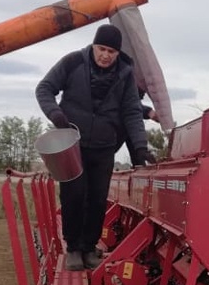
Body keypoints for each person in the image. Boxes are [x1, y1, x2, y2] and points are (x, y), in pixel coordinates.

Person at [36, 23, 156, 271]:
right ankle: (73, 249)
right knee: (74, 195)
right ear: (93, 46)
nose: (105, 56)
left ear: (117, 53)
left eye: (111, 52)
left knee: (98, 198)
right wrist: (56, 114)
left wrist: (141, 146)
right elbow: (44, 89)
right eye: (101, 49)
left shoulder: (124, 75)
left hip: (104, 147)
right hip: (73, 145)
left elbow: (132, 112)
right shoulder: (72, 63)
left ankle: (89, 248)